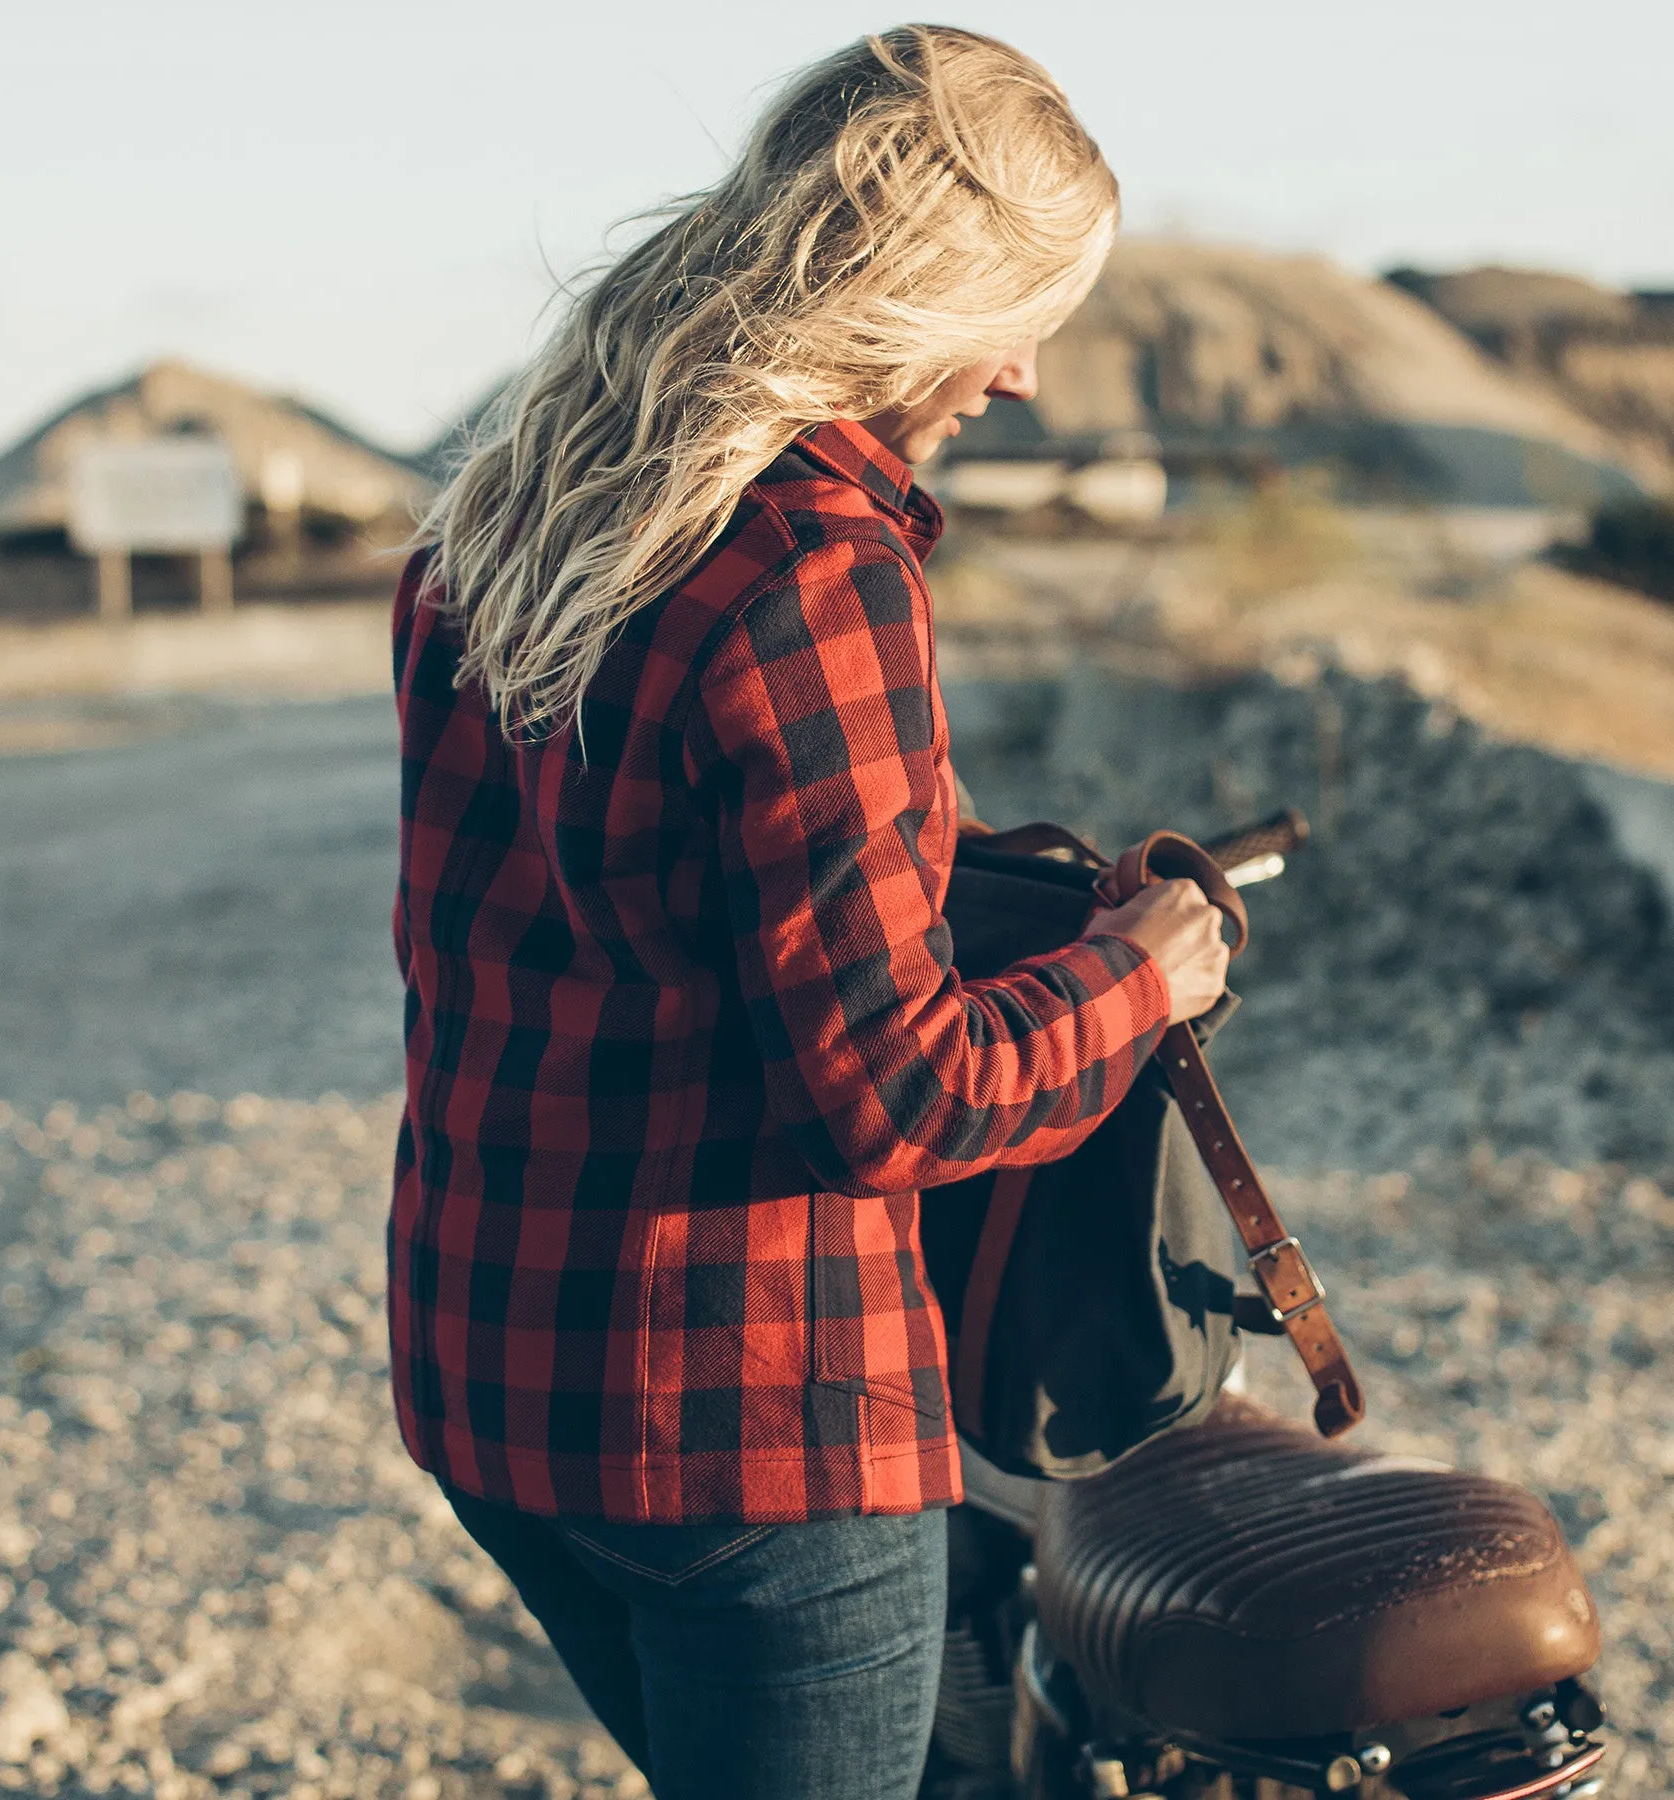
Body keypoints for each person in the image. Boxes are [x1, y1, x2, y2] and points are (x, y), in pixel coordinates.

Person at [388, 25, 1229, 1800]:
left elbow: (635, 897)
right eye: (1017, 316)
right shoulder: (812, 572)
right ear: (911, 293)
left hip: (491, 1378)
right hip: (743, 1431)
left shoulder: (498, 519)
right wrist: (1136, 978)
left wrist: (980, 878)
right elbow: (900, 1099)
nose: (1020, 378)